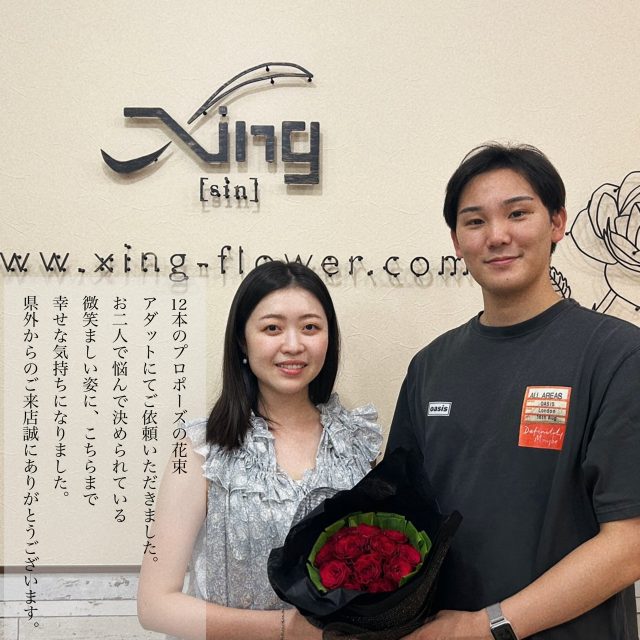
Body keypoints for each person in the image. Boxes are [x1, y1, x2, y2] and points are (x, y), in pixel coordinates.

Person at [387, 143, 640, 639]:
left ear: (557, 222)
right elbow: (401, 520)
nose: (497, 236)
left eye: (518, 213)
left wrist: (488, 627)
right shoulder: (430, 367)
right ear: (456, 241)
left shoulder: (617, 355)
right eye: (475, 221)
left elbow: (630, 541)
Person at [137, 261, 382, 640]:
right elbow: (154, 605)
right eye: (272, 328)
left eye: (310, 327)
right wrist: (287, 629)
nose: (293, 345)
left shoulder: (359, 444)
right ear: (242, 340)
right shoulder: (198, 449)